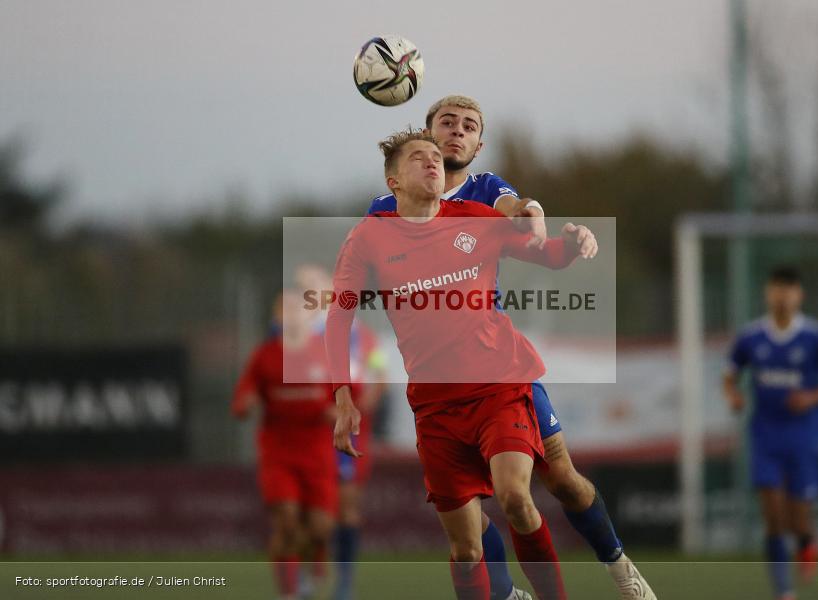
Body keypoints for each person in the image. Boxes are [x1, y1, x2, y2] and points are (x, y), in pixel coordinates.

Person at [368, 95, 655, 600]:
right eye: (446, 123)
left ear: (479, 146)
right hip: (438, 389)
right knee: (468, 518)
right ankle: (503, 593)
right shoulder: (387, 208)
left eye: (469, 127)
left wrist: (538, 217)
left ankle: (618, 565)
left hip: (497, 370)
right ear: (426, 133)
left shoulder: (484, 188)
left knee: (561, 479)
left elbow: (517, 208)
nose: (457, 131)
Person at [328, 129, 599, 600]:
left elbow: (548, 255)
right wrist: (343, 395)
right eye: (419, 158)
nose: (433, 163)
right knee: (467, 550)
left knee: (516, 497)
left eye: (436, 156)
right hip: (435, 406)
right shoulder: (369, 237)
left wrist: (573, 243)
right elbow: (340, 314)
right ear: (393, 182)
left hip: (498, 386)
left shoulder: (476, 217)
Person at [723, 266, 818, 600]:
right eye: (777, 288)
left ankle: (807, 541)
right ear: (768, 293)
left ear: (799, 295)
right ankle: (784, 591)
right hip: (765, 433)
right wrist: (733, 394)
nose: (783, 296)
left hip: (804, 434)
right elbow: (729, 373)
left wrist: (812, 397)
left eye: (789, 289)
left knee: (798, 517)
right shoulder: (751, 337)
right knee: (773, 514)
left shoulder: (816, 337)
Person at [232, 291, 339, 600]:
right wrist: (246, 404)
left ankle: (313, 561)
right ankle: (289, 591)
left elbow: (346, 395)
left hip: (318, 454)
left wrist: (339, 410)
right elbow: (242, 399)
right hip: (278, 454)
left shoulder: (325, 353)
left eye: (297, 310)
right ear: (276, 317)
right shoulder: (264, 356)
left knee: (321, 529)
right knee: (287, 520)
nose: (291, 316)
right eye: (284, 310)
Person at [293, 264, 388, 600]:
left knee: (347, 508)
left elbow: (379, 373)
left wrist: (363, 407)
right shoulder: (306, 334)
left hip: (355, 430)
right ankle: (306, 574)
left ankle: (344, 584)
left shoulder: (363, 335)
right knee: (311, 508)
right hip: (315, 432)